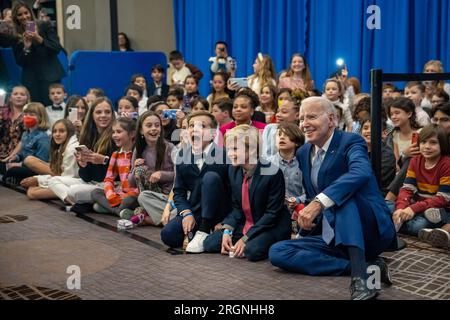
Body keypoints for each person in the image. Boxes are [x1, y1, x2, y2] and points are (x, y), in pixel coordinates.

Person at [269, 97, 396, 300]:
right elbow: (312, 195)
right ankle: (368, 266)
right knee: (278, 252)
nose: (304, 124)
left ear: (332, 119)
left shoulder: (350, 141)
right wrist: (305, 226)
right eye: (301, 119)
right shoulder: (302, 153)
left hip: (369, 229)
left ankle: (360, 282)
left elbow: (361, 172)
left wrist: (319, 203)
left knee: (344, 200)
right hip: (333, 234)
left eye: (311, 116)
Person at [203, 124, 291, 261]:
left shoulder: (273, 173)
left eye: (235, 149)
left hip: (269, 225)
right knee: (210, 243)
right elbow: (237, 207)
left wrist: (246, 238)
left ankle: (267, 242)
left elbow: (272, 214)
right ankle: (245, 240)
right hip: (246, 223)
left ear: (251, 150)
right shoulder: (233, 170)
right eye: (229, 149)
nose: (230, 153)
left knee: (251, 251)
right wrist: (227, 230)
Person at [160, 111, 231, 252]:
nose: (195, 129)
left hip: (220, 212)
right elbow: (179, 192)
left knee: (210, 177)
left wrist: (226, 221)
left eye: (202, 126)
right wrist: (186, 213)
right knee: (168, 235)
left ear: (213, 134)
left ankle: (206, 230)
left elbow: (234, 193)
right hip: (196, 210)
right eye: (191, 126)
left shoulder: (224, 156)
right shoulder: (182, 156)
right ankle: (199, 232)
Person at [48, 97, 115, 208]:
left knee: (74, 191)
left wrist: (104, 160)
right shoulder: (88, 136)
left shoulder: (116, 135)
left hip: (108, 185)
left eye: (107, 112)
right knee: (53, 180)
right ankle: (73, 202)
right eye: (98, 112)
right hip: (91, 183)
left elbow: (122, 169)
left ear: (112, 114)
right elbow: (86, 178)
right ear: (92, 115)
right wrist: (83, 165)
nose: (103, 115)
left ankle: (83, 201)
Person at [392, 125, 450, 241]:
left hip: (441, 207)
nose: (427, 147)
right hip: (420, 206)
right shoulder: (415, 161)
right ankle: (418, 222)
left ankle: (438, 222)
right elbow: (407, 189)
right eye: (423, 142)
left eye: (433, 143)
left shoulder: (446, 164)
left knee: (417, 226)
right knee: (386, 206)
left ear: (442, 145)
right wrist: (401, 208)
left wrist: (413, 209)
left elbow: (443, 198)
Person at [122, 111, 175, 226]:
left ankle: (147, 218)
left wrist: (162, 174)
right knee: (138, 196)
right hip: (149, 196)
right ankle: (159, 217)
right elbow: (131, 183)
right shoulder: (139, 149)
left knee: (142, 198)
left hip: (169, 196)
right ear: (141, 130)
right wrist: (135, 169)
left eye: (157, 125)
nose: (154, 128)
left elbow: (179, 175)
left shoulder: (170, 148)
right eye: (149, 125)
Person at [11, 2, 65, 106]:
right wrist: (26, 47)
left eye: (26, 13)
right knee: (35, 110)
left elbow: (56, 48)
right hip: (31, 80)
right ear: (16, 17)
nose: (24, 17)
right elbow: (20, 62)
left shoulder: (44, 26)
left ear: (30, 12)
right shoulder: (15, 36)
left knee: (51, 108)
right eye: (20, 15)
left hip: (50, 76)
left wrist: (38, 38)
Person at [20, 119, 79, 200]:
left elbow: (68, 178)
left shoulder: (72, 149)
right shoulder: (61, 145)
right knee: (29, 160)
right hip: (61, 177)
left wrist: (39, 180)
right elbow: (60, 169)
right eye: (55, 131)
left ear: (69, 133)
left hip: (72, 183)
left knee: (32, 192)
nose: (57, 134)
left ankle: (67, 195)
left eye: (61, 131)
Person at [91, 117, 139, 216]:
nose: (114, 135)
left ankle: (112, 209)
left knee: (128, 200)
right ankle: (119, 211)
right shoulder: (115, 155)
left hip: (133, 196)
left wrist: (124, 197)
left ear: (132, 134)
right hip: (119, 195)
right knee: (95, 192)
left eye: (119, 132)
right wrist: (110, 194)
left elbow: (140, 184)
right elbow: (109, 178)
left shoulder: (138, 153)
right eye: (113, 132)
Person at [1, 102, 50, 183]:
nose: (27, 117)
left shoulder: (43, 137)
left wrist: (19, 164)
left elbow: (41, 161)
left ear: (41, 118)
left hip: (33, 169)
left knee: (13, 171)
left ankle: (7, 178)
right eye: (25, 114)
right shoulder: (25, 134)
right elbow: (22, 154)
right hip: (22, 164)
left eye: (31, 114)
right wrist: (15, 157)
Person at [0, 86, 29, 167]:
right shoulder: (2, 112)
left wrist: (11, 157)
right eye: (15, 94)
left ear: (27, 98)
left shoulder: (29, 115)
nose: (18, 96)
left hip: (18, 155)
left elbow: (23, 141)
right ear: (10, 98)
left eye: (22, 94)